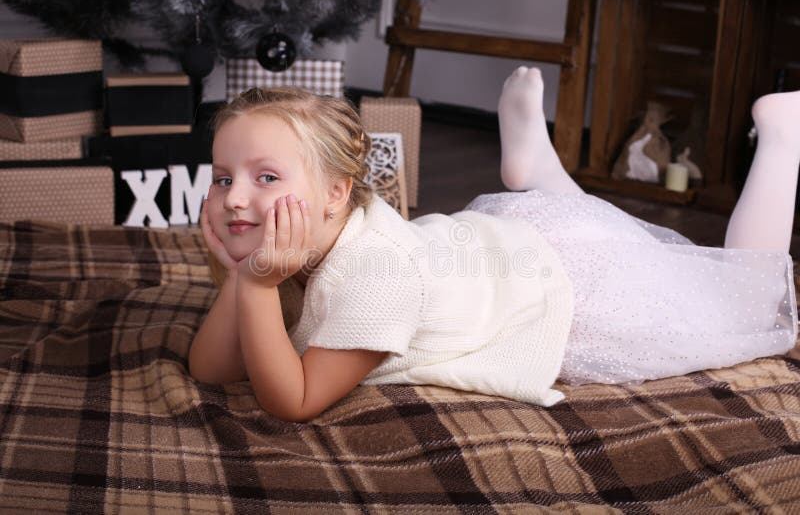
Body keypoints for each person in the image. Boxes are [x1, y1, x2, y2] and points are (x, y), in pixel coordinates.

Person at [189, 67, 800, 422]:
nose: (235, 198)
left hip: (570, 288)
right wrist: (242, 279)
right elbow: (211, 370)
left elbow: (293, 402)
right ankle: (537, 169)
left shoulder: (376, 276)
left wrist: (261, 285)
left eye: (265, 177)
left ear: (335, 193)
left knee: (741, 300)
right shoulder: (291, 249)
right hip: (507, 245)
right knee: (586, 221)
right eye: (223, 178)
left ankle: (783, 137)